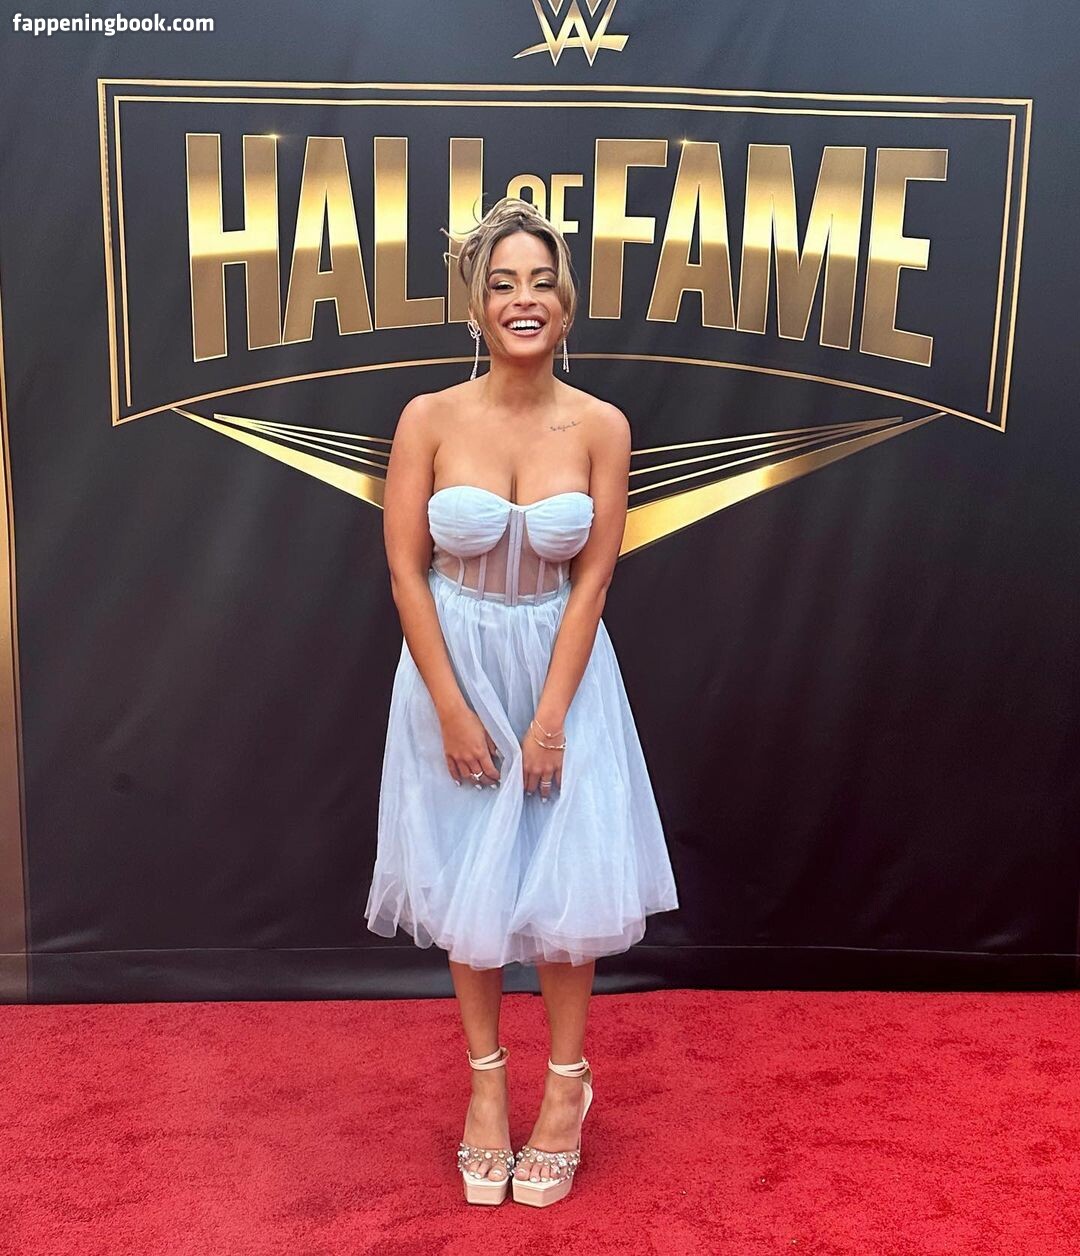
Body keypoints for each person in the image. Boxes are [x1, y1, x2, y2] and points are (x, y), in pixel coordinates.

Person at [364, 196, 679, 1207]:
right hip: (451, 668)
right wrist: (451, 707)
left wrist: (550, 720)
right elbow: (407, 571)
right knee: (470, 883)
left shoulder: (603, 426)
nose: (523, 298)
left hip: (563, 670)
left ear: (566, 303)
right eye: (502, 284)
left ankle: (567, 1087)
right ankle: (487, 1087)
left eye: (541, 281)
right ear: (477, 305)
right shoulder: (428, 419)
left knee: (564, 887)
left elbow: (593, 579)